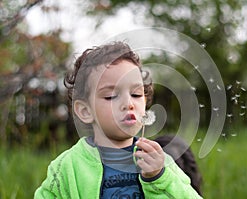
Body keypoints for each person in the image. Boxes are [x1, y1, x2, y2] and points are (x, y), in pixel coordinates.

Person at [34, 41, 203, 199]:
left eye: (136, 94)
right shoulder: (67, 167)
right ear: (85, 111)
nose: (128, 104)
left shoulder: (161, 162)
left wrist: (159, 177)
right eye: (111, 96)